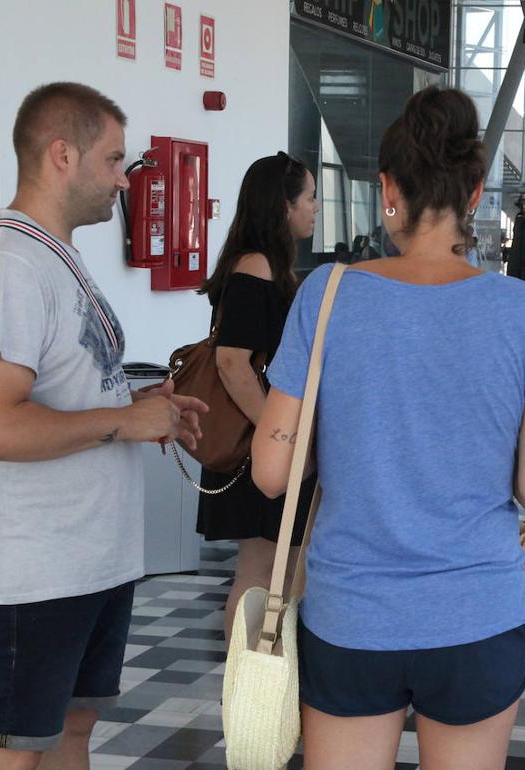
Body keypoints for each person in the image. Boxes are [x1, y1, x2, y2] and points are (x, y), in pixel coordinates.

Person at [251, 86, 525, 769]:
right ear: (478, 190)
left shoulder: (326, 293)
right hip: (477, 614)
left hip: (351, 615)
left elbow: (272, 472)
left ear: (388, 187)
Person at [0, 82, 206, 769]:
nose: (125, 179)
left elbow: (72, 383)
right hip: (35, 567)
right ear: (62, 155)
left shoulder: (53, 256)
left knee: (71, 735)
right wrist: (123, 421)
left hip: (89, 557)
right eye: (114, 160)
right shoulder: (5, 266)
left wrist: (149, 406)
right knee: (10, 751)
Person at [194, 153, 320, 644]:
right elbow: (232, 361)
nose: (314, 208)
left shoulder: (260, 264)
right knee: (263, 571)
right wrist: (279, 434)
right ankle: (252, 692)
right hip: (262, 444)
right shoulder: (256, 267)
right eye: (309, 197)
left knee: (273, 569)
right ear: (282, 205)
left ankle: (261, 688)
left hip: (264, 440)